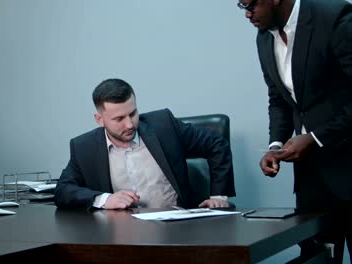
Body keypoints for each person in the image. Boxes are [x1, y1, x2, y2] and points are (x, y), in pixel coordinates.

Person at [237, 0, 352, 261]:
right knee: (315, 257)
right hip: (312, 178)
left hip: (347, 162)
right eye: (241, 5)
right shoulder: (264, 38)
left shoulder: (334, 17)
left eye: (250, 4)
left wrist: (315, 138)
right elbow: (278, 99)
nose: (247, 14)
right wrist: (275, 146)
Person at [54, 78, 236, 210]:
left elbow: (216, 144)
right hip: (122, 236)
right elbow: (63, 190)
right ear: (99, 119)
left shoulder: (164, 125)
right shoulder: (84, 147)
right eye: (119, 119)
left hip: (179, 228)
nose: (130, 124)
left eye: (133, 113)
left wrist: (219, 196)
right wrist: (104, 200)